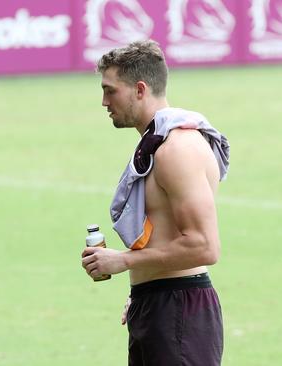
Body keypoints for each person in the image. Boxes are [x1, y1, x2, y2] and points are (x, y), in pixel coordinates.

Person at [81, 40, 230, 365]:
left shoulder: (177, 150)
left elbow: (206, 247)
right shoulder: (158, 144)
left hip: (178, 310)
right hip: (159, 303)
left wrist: (124, 261)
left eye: (110, 90)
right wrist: (144, 288)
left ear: (139, 89)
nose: (104, 102)